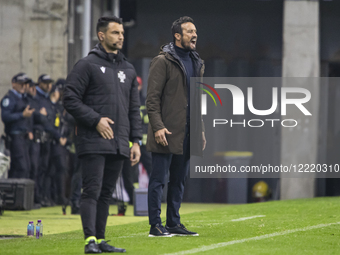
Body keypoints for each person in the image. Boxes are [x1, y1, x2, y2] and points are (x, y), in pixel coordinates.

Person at [63, 16, 142, 254]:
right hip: (93, 141)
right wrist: (95, 120)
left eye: (122, 33)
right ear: (101, 35)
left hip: (119, 142)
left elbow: (133, 110)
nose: (121, 37)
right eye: (116, 33)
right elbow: (70, 99)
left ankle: (101, 239)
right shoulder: (87, 65)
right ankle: (90, 241)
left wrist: (136, 141)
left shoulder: (128, 68)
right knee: (92, 191)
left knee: (106, 194)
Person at [146, 16, 206, 237]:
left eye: (195, 31)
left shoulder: (197, 62)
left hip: (187, 132)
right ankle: (155, 225)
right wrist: (158, 126)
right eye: (189, 31)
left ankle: (173, 223)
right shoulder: (162, 61)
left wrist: (200, 130)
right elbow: (151, 99)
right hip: (166, 132)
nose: (194, 35)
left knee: (178, 181)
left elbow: (197, 101)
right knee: (158, 180)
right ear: (177, 36)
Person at [1, 73, 34, 178]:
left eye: (25, 84)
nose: (24, 86)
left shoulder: (23, 98)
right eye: (21, 84)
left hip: (23, 137)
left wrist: (29, 130)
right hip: (15, 137)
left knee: (27, 167)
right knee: (21, 167)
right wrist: (22, 115)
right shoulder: (10, 98)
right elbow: (5, 117)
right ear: (13, 84)